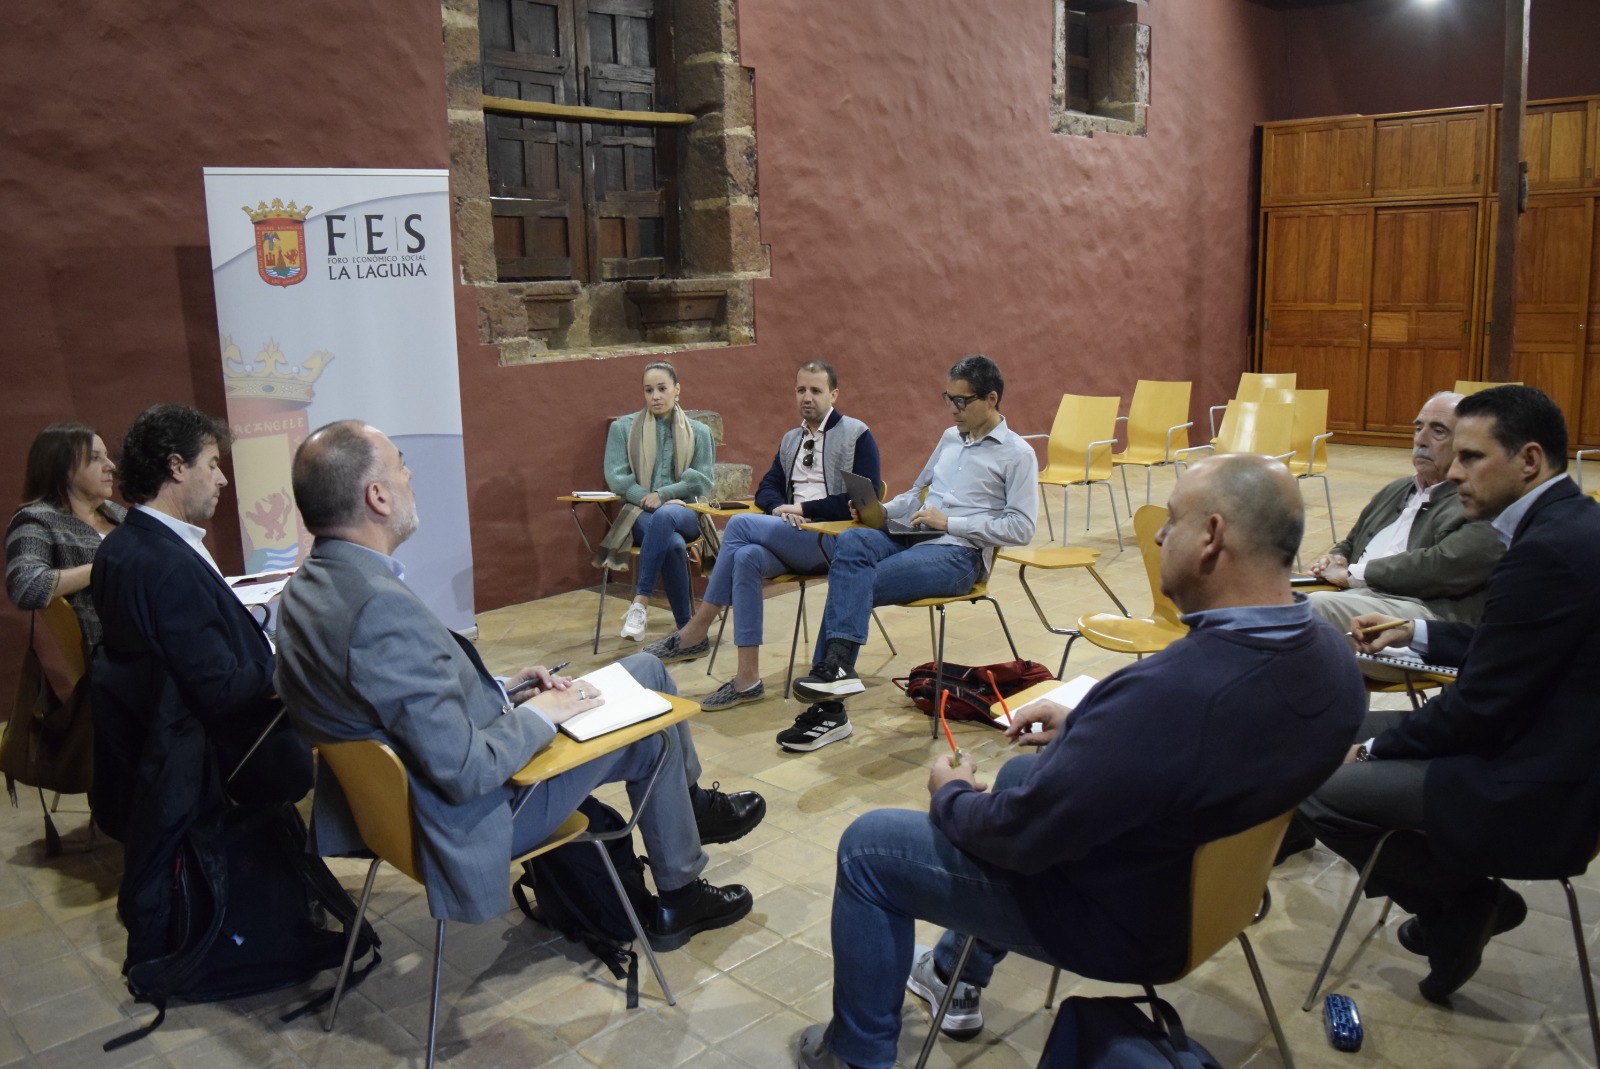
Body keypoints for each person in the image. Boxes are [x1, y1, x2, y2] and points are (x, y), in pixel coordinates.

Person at [795, 454, 1366, 1069]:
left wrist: (949, 793)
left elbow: (1018, 837)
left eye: (1172, 520)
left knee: (870, 848)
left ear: (1213, 536)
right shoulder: (1333, 660)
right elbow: (1208, 745)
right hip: (1219, 893)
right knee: (1018, 772)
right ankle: (951, 972)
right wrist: (1097, 726)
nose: (1157, 535)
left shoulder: (1172, 694)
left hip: (1125, 920)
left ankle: (855, 1056)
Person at [274, 420, 763, 941]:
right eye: (400, 465)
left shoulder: (310, 585)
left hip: (411, 796)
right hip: (468, 817)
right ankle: (681, 895)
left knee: (648, 670)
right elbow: (463, 769)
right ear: (377, 497)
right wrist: (539, 714)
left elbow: (397, 700)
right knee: (656, 727)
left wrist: (503, 690)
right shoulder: (378, 608)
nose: (410, 475)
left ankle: (691, 809)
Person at [1301, 384, 1600, 1004]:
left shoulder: (1547, 550)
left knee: (1312, 778)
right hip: (1541, 744)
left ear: (1529, 460)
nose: (1453, 471)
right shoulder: (1570, 522)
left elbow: (1479, 708)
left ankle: (1467, 901)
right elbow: (1517, 650)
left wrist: (1375, 752)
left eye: (1470, 457)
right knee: (1321, 737)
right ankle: (1462, 905)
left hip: (1541, 782)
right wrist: (1421, 632)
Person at [91, 404, 311, 967]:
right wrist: (298, 662)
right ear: (176, 467)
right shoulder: (166, 563)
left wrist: (256, 622)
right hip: (224, 757)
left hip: (163, 757)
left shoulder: (126, 546)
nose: (222, 478)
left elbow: (184, 650)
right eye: (212, 464)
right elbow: (222, 689)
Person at [778, 354, 1037, 752]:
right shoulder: (950, 438)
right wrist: (879, 513)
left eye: (962, 401)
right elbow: (916, 492)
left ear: (991, 398)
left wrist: (949, 524)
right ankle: (837, 672)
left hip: (958, 555)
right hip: (914, 534)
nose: (952, 409)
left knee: (855, 580)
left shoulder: (1017, 454)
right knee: (851, 543)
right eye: (947, 398)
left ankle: (829, 709)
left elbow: (1022, 527)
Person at [641, 360, 881, 708]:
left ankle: (697, 627)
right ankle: (747, 679)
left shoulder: (857, 434)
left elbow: (863, 497)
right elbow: (767, 487)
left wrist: (803, 510)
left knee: (738, 525)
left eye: (816, 390)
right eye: (801, 390)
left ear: (834, 394)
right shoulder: (791, 440)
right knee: (745, 556)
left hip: (832, 539)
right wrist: (778, 511)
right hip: (790, 533)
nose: (807, 397)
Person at [1305, 392, 1502, 632]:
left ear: (1467, 444)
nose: (1421, 439)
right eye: (1419, 428)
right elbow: (1351, 542)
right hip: (1355, 594)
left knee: (1310, 608)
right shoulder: (1397, 489)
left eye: (1438, 431)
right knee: (1266, 595)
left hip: (1419, 611)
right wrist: (1336, 558)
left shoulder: (1481, 501)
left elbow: (1442, 567)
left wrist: (1353, 572)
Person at [597, 361, 715, 642]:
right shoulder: (623, 429)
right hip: (640, 515)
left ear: (677, 390)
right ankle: (687, 630)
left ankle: (640, 602)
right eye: (649, 390)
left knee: (668, 519)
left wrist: (664, 495)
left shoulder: (700, 432)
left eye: (662, 389)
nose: (655, 396)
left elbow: (703, 480)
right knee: (671, 542)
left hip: (686, 513)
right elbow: (617, 478)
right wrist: (645, 499)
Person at [6, 423, 126, 645]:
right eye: (95, 458)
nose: (110, 466)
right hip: (109, 653)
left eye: (107, 457)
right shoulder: (37, 519)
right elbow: (26, 586)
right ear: (63, 468)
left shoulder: (118, 514)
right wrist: (104, 567)